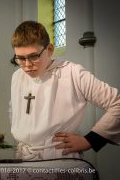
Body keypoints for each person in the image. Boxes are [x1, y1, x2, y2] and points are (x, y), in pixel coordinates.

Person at [9, 20, 120, 160]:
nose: (26, 65)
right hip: (23, 157)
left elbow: (117, 103)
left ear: (49, 50)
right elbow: (14, 112)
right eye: (20, 58)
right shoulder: (17, 76)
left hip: (59, 156)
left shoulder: (73, 73)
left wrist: (90, 140)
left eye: (33, 56)